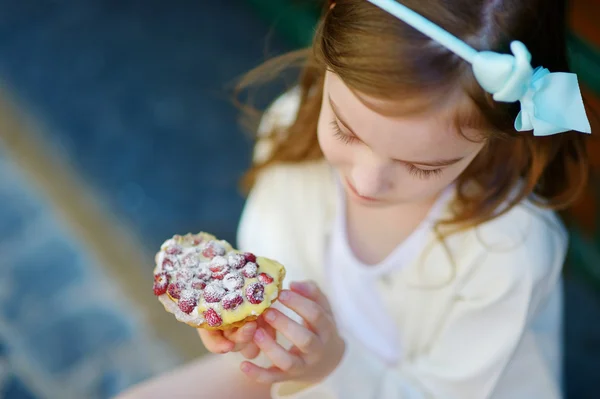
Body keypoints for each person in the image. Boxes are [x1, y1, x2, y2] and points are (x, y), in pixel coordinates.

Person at [117, 0, 594, 397]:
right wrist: (248, 325)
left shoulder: (510, 254)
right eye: (345, 129)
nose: (367, 182)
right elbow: (273, 273)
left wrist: (332, 365)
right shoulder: (291, 131)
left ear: (492, 135)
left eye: (421, 166)